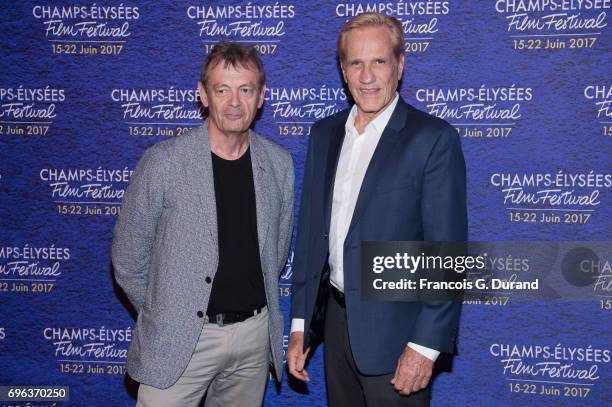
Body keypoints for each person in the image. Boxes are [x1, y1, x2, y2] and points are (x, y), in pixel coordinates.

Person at [287, 12, 467, 407]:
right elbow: (312, 237)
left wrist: (424, 345)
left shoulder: (433, 140)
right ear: (343, 70)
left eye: (379, 61)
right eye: (356, 62)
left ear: (399, 66)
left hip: (399, 336)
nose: (367, 75)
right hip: (335, 327)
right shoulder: (324, 135)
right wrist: (301, 324)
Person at [112, 41, 294, 407]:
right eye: (222, 89)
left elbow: (276, 252)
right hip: (179, 338)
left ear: (261, 96)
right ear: (203, 95)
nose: (233, 102)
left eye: (246, 90)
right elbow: (129, 257)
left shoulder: (278, 164)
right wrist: (166, 313)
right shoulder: (163, 162)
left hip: (253, 338)